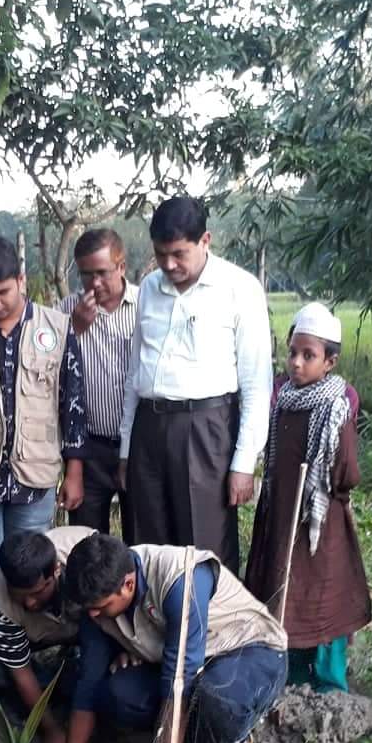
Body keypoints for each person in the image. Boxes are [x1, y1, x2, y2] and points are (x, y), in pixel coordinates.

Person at [60, 534, 286, 743]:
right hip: (186, 664)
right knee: (116, 692)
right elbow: (87, 687)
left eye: (100, 608)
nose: (94, 616)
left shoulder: (180, 580)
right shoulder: (96, 603)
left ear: (128, 584)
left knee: (217, 697)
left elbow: (179, 680)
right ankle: (187, 742)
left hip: (248, 652)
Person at [118, 197, 271, 566]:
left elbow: (256, 384)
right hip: (149, 428)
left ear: (206, 240)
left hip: (207, 430)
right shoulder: (149, 289)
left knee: (205, 548)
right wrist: (126, 449)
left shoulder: (240, 288)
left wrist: (243, 463)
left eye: (179, 254)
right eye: (160, 254)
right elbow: (134, 374)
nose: (169, 265)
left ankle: (208, 624)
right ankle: (155, 622)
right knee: (148, 544)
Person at [0, 236, 86, 632]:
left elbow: (72, 403)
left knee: (30, 576)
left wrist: (74, 471)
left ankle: (23, 655)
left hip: (35, 476)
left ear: (21, 280)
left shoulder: (57, 328)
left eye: (2, 292)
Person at [245, 302, 369, 694]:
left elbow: (345, 471)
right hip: (281, 513)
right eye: (293, 353)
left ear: (329, 362)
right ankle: (292, 674)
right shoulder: (282, 400)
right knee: (286, 589)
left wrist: (332, 496)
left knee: (323, 592)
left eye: (308, 356)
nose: (296, 363)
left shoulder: (336, 406)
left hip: (320, 519)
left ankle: (331, 683)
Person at [0, 526, 94, 743]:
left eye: (36, 592)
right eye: (19, 595)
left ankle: (78, 674)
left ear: (56, 571)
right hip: (37, 635)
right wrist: (50, 731)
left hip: (86, 625)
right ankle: (50, 689)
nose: (29, 602)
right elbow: (21, 673)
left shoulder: (86, 556)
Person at [59, 229, 137, 537]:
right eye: (86, 274)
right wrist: (74, 328)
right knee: (86, 541)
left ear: (121, 267)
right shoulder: (66, 310)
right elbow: (48, 373)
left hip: (140, 446)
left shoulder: (147, 305)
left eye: (102, 273)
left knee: (142, 538)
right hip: (89, 447)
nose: (94, 283)